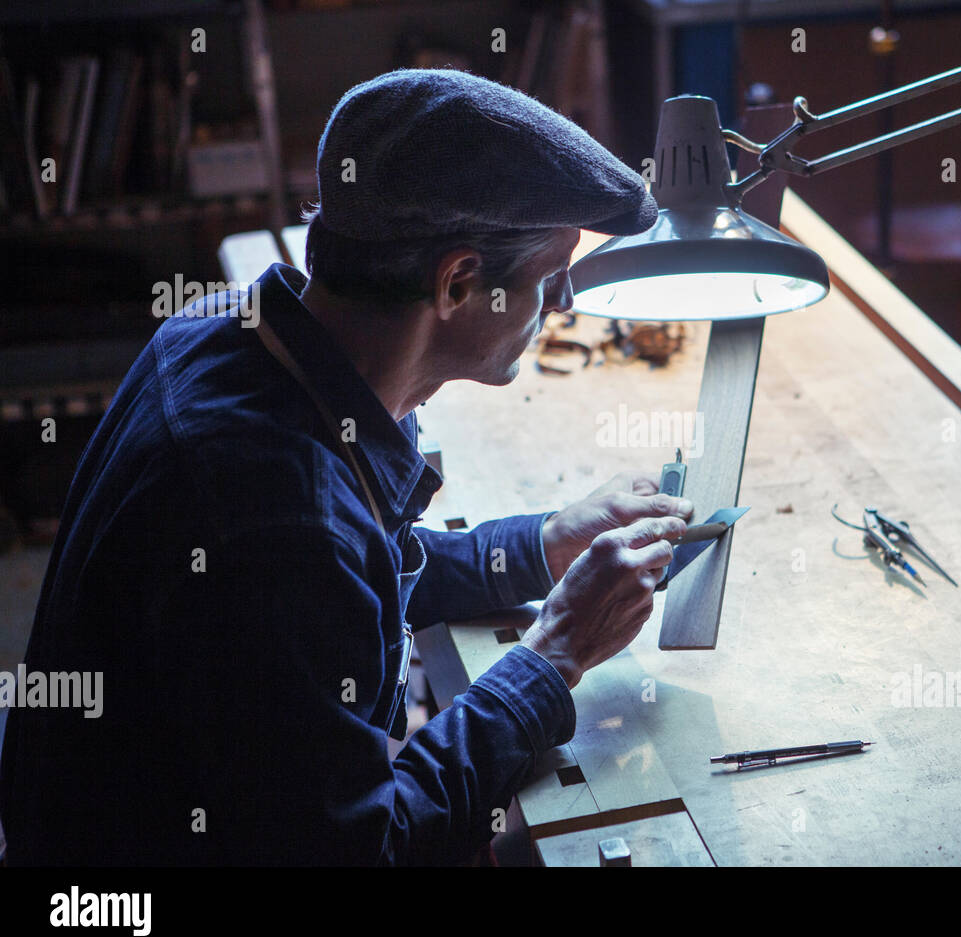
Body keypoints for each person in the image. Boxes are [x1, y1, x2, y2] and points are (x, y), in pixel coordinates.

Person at [0, 69, 693, 865]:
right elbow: (368, 850)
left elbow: (345, 574)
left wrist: (538, 546)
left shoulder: (228, 329)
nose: (564, 304)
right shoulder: (272, 516)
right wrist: (554, 655)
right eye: (551, 276)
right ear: (459, 283)